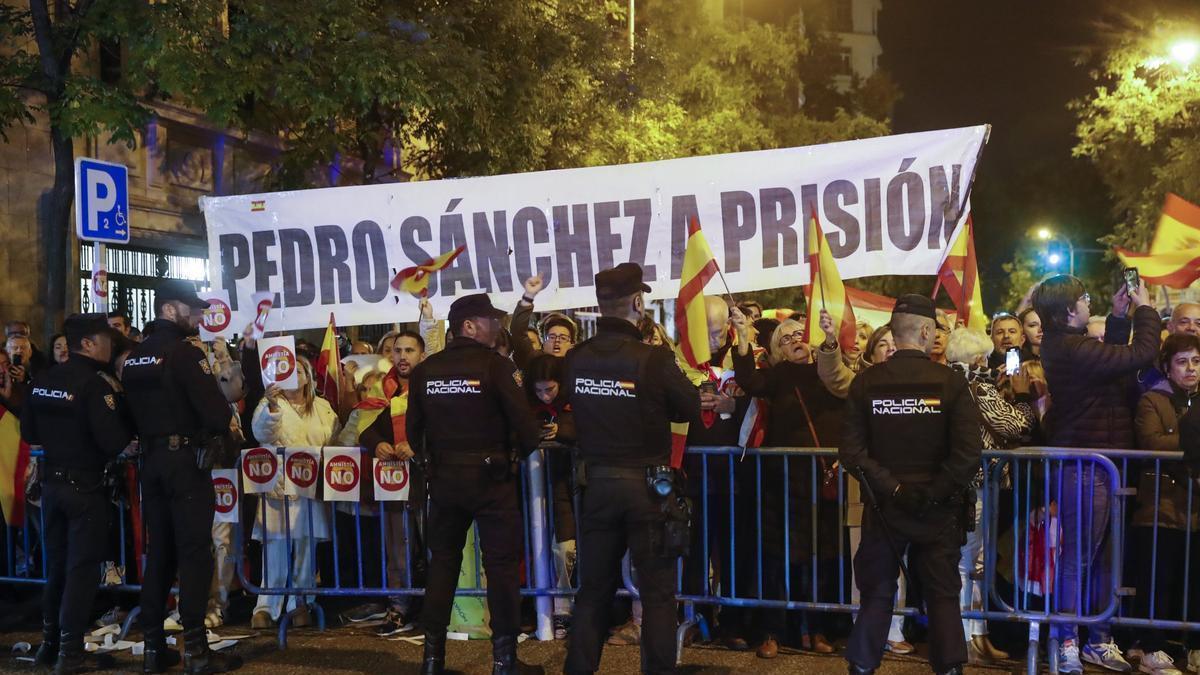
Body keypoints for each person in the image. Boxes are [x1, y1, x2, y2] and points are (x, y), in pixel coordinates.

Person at [563, 262, 700, 675]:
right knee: (658, 594)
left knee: (593, 592)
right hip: (647, 489)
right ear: (638, 302)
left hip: (597, 485)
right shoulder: (653, 358)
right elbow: (691, 406)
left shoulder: (576, 358)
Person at [840, 294, 983, 675]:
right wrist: (933, 492)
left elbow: (852, 452)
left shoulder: (866, 382)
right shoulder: (950, 383)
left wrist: (895, 489)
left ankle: (862, 665)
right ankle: (949, 667)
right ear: (924, 330)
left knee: (877, 591)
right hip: (938, 509)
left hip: (886, 506)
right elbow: (969, 452)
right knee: (942, 594)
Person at [407, 293, 541, 675]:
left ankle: (432, 660)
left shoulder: (425, 371)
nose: (497, 326)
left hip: (445, 483)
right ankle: (504, 663)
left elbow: (414, 433)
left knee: (442, 566)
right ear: (468, 326)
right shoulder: (495, 367)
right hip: (492, 481)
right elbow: (528, 430)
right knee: (500, 568)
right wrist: (512, 455)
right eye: (490, 320)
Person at [1035, 274, 1159, 675]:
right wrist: (1145, 310)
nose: (1091, 304)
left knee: (1107, 559)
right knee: (1078, 559)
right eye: (1085, 299)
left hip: (1105, 463)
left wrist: (1120, 317)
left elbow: (1111, 364)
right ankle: (1068, 640)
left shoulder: (1073, 345)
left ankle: (1099, 640)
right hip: (1086, 468)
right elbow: (1136, 355)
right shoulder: (1069, 346)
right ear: (1069, 310)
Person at [120, 280, 242, 674]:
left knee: (160, 555)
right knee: (193, 554)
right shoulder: (186, 355)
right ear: (170, 309)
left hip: (151, 463)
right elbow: (216, 412)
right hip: (185, 464)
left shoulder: (136, 356)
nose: (200, 316)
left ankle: (154, 647)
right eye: (193, 309)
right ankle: (198, 653)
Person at [20, 314, 133, 673]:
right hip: (85, 487)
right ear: (87, 343)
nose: (109, 345)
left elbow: (28, 431)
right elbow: (112, 440)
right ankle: (71, 652)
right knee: (82, 571)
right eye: (104, 340)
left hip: (51, 486)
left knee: (56, 569)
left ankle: (50, 645)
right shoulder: (96, 383)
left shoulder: (42, 380)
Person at [730, 310, 845, 658]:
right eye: (786, 338)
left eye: (799, 335)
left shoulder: (828, 373)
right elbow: (748, 380)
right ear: (778, 351)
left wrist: (830, 338)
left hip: (822, 480)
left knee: (820, 559)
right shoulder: (776, 376)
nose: (795, 340)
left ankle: (816, 628)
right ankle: (772, 632)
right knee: (777, 559)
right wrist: (743, 336)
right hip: (782, 482)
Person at [945, 328, 1034, 665]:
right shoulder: (977, 386)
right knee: (969, 562)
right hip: (978, 482)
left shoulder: (950, 382)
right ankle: (967, 638)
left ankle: (977, 636)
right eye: (983, 354)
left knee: (974, 562)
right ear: (975, 357)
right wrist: (1023, 399)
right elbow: (1014, 425)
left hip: (965, 480)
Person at [250, 356, 338, 629]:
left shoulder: (323, 407)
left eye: (298, 370)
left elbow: (334, 439)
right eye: (286, 370)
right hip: (277, 485)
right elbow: (259, 431)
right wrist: (272, 405)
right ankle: (267, 606)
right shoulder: (268, 403)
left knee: (306, 548)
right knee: (275, 548)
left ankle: (301, 603)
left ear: (308, 377)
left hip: (310, 486)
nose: (292, 375)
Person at [1131, 334, 1200, 675]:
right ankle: (1151, 648)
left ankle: (1193, 646)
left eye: (1196, 361)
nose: (1191, 369)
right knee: (1157, 579)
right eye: (1183, 362)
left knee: (1193, 580)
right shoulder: (1152, 400)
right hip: (1159, 505)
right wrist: (1191, 438)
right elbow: (1151, 442)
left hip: (1193, 507)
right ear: (1167, 367)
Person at [355, 330, 429, 636]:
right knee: (397, 550)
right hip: (394, 484)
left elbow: (445, 425)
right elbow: (364, 427)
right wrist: (378, 444)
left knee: (435, 548)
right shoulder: (380, 389)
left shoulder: (432, 385)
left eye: (409, 350)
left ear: (421, 355)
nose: (402, 356)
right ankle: (399, 608)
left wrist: (417, 446)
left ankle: (436, 609)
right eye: (397, 350)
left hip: (428, 481)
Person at [523, 353, 578, 640]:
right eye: (539, 390)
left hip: (579, 484)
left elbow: (585, 425)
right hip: (549, 489)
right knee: (561, 551)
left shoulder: (576, 399)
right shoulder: (528, 407)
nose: (545, 396)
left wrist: (563, 432)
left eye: (550, 389)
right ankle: (562, 611)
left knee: (576, 551)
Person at [511, 274, 579, 367]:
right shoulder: (534, 362)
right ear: (543, 342)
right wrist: (528, 296)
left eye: (563, 338)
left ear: (572, 345)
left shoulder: (578, 367)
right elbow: (518, 333)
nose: (557, 341)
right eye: (552, 337)